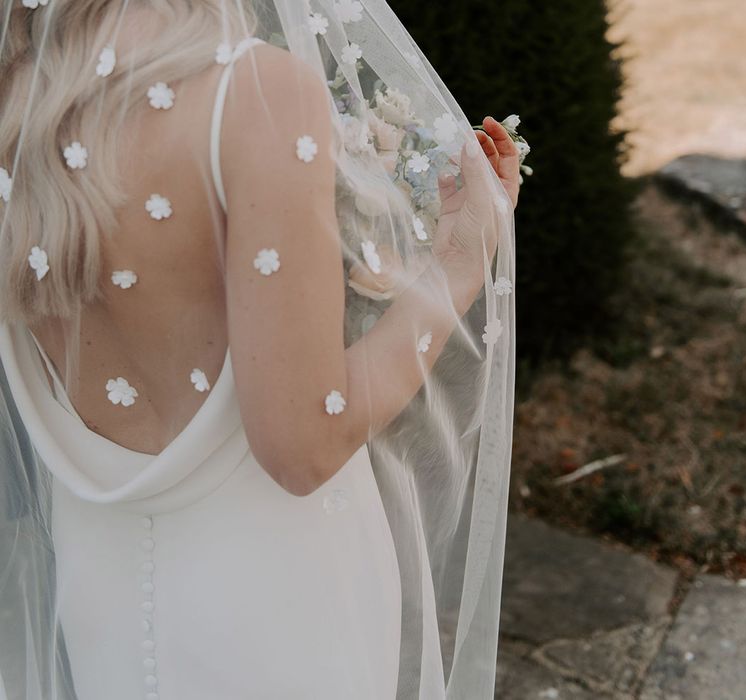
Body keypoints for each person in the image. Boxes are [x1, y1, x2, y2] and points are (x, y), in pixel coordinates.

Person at [0, 1, 517, 698]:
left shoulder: (19, 84)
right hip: (275, 594)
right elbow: (304, 447)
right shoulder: (253, 94)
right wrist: (457, 260)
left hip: (100, 581)